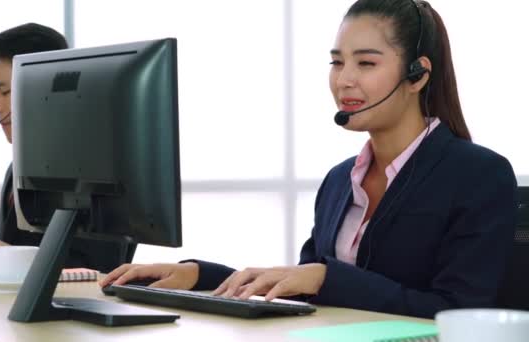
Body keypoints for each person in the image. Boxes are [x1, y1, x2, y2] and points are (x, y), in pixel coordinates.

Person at [99, 0, 518, 318]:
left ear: (417, 75)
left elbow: (459, 313)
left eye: (366, 63)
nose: (344, 80)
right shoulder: (340, 181)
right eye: (337, 63)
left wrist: (325, 276)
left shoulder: (478, 175)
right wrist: (199, 277)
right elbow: (303, 287)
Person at [0, 23, 127, 272]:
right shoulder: (20, 167)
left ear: (45, 89)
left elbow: (93, 267)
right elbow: (12, 248)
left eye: (5, 91)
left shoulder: (97, 169)